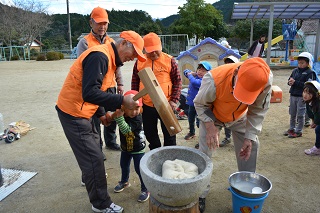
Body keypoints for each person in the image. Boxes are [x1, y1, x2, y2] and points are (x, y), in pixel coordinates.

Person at [56, 30, 146, 213]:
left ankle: (89, 178)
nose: (133, 58)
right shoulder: (100, 56)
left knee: (94, 151)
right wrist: (121, 101)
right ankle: (101, 204)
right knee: (93, 158)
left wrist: (102, 115)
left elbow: (100, 89)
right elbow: (89, 92)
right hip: (74, 113)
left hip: (84, 111)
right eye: (133, 53)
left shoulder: (110, 60)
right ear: (123, 44)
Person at [194, 57, 273, 213]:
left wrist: (250, 137)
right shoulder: (214, 79)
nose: (240, 97)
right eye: (240, 89)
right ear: (236, 72)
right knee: (205, 152)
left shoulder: (265, 80)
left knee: (251, 146)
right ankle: (200, 194)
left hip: (240, 117)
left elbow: (258, 110)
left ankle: (247, 188)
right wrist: (210, 127)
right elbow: (200, 104)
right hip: (213, 117)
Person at [77, 6, 122, 152]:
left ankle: (111, 141)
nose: (102, 26)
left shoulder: (111, 42)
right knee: (95, 119)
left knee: (112, 117)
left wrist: (120, 84)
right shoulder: (84, 42)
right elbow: (82, 68)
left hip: (110, 86)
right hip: (95, 88)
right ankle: (98, 148)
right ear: (91, 23)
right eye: (98, 23)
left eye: (105, 23)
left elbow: (117, 65)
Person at [131, 32, 182, 150]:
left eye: (156, 50)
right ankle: (155, 151)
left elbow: (177, 82)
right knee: (150, 133)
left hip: (166, 104)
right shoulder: (139, 61)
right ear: (144, 49)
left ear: (160, 47)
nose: (153, 53)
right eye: (150, 51)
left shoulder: (170, 60)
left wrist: (174, 100)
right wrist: (137, 101)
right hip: (147, 105)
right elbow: (135, 82)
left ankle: (170, 154)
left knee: (170, 132)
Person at [107, 90, 150, 202]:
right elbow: (110, 117)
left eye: (137, 108)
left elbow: (126, 130)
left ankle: (145, 188)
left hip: (137, 148)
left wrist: (119, 117)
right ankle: (124, 181)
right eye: (131, 108)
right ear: (124, 107)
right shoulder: (122, 114)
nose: (134, 111)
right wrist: (112, 116)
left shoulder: (137, 118)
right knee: (124, 165)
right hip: (125, 147)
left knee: (138, 168)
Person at [284, 52, 316, 138]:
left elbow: (309, 85)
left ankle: (298, 131)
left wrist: (295, 82)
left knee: (300, 114)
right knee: (292, 113)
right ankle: (291, 128)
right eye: (299, 63)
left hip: (302, 97)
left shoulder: (310, 73)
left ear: (307, 63)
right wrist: (289, 82)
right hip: (293, 94)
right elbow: (289, 80)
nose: (300, 65)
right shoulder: (295, 70)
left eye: (302, 63)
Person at [183, 61, 212, 141]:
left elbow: (194, 82)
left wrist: (190, 75)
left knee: (200, 123)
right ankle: (192, 132)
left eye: (203, 71)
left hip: (201, 105)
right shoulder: (195, 76)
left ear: (208, 73)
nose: (200, 72)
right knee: (190, 119)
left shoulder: (205, 80)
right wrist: (191, 73)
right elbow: (185, 71)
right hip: (192, 104)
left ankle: (203, 138)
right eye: (199, 70)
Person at [219, 55, 239, 147]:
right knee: (224, 120)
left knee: (234, 121)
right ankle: (226, 137)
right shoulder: (222, 75)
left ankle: (233, 138)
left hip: (236, 103)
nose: (228, 65)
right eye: (227, 63)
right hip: (224, 102)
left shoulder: (239, 76)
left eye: (231, 63)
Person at [303, 81, 320, 155]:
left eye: (309, 93)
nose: (305, 95)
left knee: (318, 129)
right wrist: (313, 121)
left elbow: (318, 116)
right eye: (304, 92)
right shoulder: (309, 102)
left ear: (315, 95)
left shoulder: (318, 104)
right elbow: (311, 114)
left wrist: (316, 123)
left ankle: (317, 148)